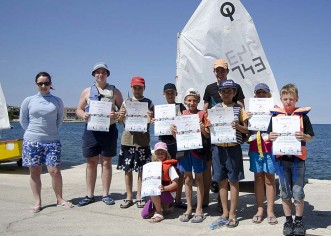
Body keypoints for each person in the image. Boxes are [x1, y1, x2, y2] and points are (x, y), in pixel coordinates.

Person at [19, 72, 73, 213]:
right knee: (34, 171)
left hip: (52, 140)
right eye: (40, 83)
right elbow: (23, 121)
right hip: (32, 141)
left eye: (46, 83)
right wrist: (34, 132)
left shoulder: (57, 101)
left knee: (54, 171)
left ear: (51, 84)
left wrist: (50, 132)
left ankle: (60, 199)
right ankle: (38, 201)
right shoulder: (28, 101)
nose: (44, 86)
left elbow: (59, 120)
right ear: (36, 84)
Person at [268, 83, 314, 236]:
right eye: (285, 99)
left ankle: (299, 220)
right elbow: (269, 136)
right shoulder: (275, 117)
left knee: (298, 191)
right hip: (282, 161)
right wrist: (271, 136)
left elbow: (310, 137)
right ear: (281, 99)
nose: (288, 102)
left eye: (291, 99)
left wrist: (304, 136)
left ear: (297, 99)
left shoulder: (303, 117)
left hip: (297, 161)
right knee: (285, 192)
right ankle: (288, 221)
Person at [76, 62, 123, 206]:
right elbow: (79, 109)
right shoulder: (86, 91)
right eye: (98, 72)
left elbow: (122, 111)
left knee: (106, 162)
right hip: (91, 131)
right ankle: (89, 195)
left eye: (103, 72)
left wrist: (115, 114)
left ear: (107, 74)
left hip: (109, 130)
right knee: (91, 162)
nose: (100, 74)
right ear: (94, 74)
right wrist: (83, 115)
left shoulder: (115, 91)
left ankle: (105, 194)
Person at [202, 58, 245, 209]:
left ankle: (229, 210)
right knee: (220, 178)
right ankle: (222, 208)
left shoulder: (237, 89)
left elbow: (241, 108)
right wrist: (204, 124)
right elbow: (205, 109)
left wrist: (238, 125)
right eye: (217, 70)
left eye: (222, 69)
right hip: (217, 139)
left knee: (232, 179)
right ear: (214, 72)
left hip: (233, 141)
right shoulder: (209, 89)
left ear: (227, 71)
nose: (219, 72)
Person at [206, 79, 249, 228]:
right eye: (224, 91)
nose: (226, 93)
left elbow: (247, 130)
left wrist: (237, 126)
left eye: (229, 91)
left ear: (234, 93)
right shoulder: (214, 108)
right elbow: (207, 131)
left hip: (233, 148)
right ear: (219, 93)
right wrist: (208, 126)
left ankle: (233, 214)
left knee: (234, 181)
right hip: (218, 148)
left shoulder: (239, 108)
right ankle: (224, 213)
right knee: (221, 181)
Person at [172, 88, 209, 223]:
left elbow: (207, 135)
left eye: (194, 100)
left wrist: (202, 128)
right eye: (189, 100)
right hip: (185, 151)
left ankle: (199, 208)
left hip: (198, 151)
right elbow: (178, 138)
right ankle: (188, 208)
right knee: (187, 179)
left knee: (199, 179)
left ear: (198, 101)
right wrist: (173, 132)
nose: (192, 103)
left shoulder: (203, 114)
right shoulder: (182, 114)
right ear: (185, 101)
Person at [117, 76, 154, 209]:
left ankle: (139, 195)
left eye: (140, 87)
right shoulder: (126, 102)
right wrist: (120, 115)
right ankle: (129, 196)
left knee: (141, 171)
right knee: (127, 170)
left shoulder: (149, 103)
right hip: (127, 141)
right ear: (131, 87)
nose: (137, 90)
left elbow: (152, 123)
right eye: (135, 87)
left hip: (143, 142)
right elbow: (120, 122)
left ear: (144, 88)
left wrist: (151, 117)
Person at [247, 83, 277, 225]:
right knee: (258, 178)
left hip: (271, 148)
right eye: (258, 93)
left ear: (268, 95)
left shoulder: (276, 110)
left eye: (263, 93)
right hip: (254, 147)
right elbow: (245, 131)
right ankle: (260, 209)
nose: (261, 95)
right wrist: (246, 119)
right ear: (255, 95)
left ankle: (270, 210)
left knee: (270, 178)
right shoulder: (249, 111)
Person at [158, 83, 186, 209]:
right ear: (163, 94)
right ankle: (166, 199)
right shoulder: (159, 108)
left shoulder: (181, 106)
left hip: (178, 143)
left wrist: (181, 119)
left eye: (172, 92)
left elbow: (187, 121)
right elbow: (152, 122)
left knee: (179, 171)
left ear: (176, 93)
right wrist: (152, 121)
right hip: (164, 143)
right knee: (164, 172)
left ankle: (178, 199)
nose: (170, 94)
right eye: (167, 92)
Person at [141, 142, 179, 223]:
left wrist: (165, 188)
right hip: (158, 192)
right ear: (155, 154)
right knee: (144, 214)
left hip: (167, 193)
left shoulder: (170, 167)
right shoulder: (151, 166)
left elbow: (175, 183)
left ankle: (159, 212)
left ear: (166, 154)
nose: (160, 155)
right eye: (158, 153)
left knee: (154, 191)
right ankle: (162, 206)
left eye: (162, 153)